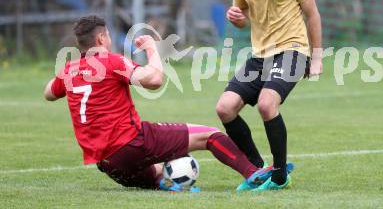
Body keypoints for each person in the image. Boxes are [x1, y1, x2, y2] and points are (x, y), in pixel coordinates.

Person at [44, 15, 283, 191]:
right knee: (210, 135)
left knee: (160, 174)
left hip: (108, 165)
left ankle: (170, 184)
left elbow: (49, 93)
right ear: (100, 38)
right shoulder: (111, 61)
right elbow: (155, 80)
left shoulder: (68, 71)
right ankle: (253, 173)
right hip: (131, 144)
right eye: (106, 36)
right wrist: (151, 49)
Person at [215, 0, 323, 191]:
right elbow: (242, 19)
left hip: (292, 50)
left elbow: (312, 14)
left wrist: (317, 57)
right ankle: (256, 168)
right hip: (260, 55)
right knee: (225, 108)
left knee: (266, 105)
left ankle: (279, 176)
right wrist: (235, 17)